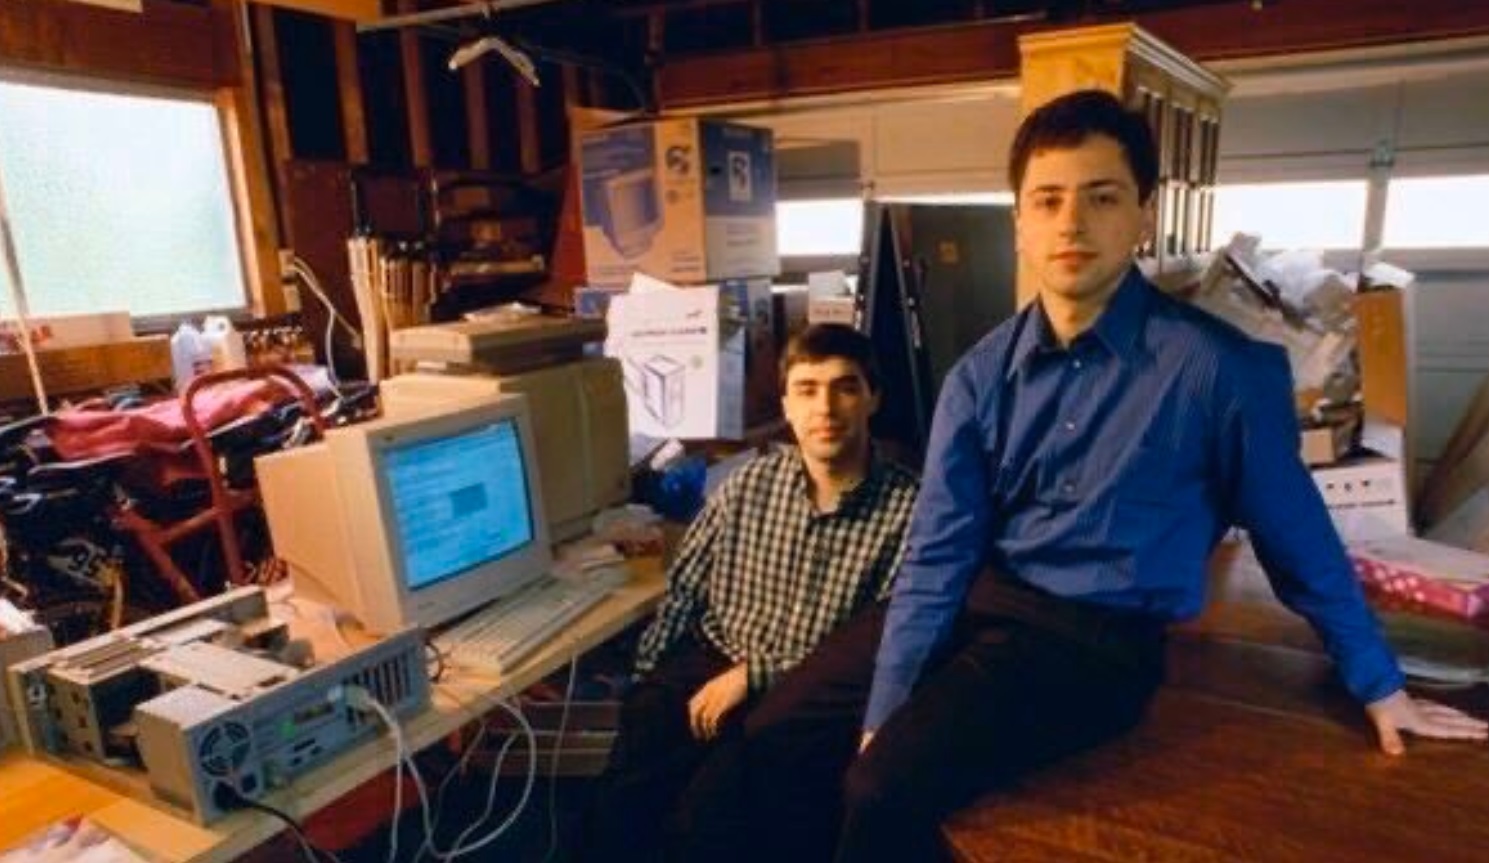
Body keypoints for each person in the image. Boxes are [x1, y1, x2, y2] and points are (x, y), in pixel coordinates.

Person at [706, 89, 1487, 863]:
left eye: (1100, 197)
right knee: (776, 732)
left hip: (1093, 640)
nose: (1070, 223)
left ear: (1141, 215)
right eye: (1045, 200)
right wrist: (888, 699)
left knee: (882, 786)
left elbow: (1297, 540)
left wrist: (1378, 683)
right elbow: (936, 556)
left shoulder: (1219, 370)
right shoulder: (980, 375)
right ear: (1019, 223)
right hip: (982, 598)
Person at [581, 323, 919, 863]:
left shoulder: (909, 510)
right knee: (626, 790)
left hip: (804, 689)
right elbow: (687, 589)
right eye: (807, 390)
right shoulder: (749, 484)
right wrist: (650, 678)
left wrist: (754, 676)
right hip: (711, 656)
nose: (825, 408)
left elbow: (876, 644)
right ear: (786, 404)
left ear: (872, 398)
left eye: (845, 387)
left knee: (706, 820)